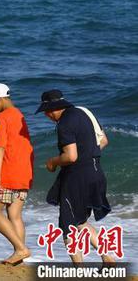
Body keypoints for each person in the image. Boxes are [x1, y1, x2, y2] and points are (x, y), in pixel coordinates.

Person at [37, 89, 113, 264]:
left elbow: (71, 156)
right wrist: (87, 156)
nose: (47, 116)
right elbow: (103, 141)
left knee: (67, 226)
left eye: (46, 112)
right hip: (96, 173)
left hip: (77, 178)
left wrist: (53, 162)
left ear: (52, 109)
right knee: (81, 221)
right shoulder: (85, 112)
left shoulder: (64, 123)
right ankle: (108, 258)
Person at [0, 83, 34, 265]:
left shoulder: (2, 117)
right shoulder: (19, 115)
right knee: (14, 215)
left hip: (9, 172)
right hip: (24, 171)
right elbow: (18, 148)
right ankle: (19, 256)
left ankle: (21, 249)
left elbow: (0, 147)